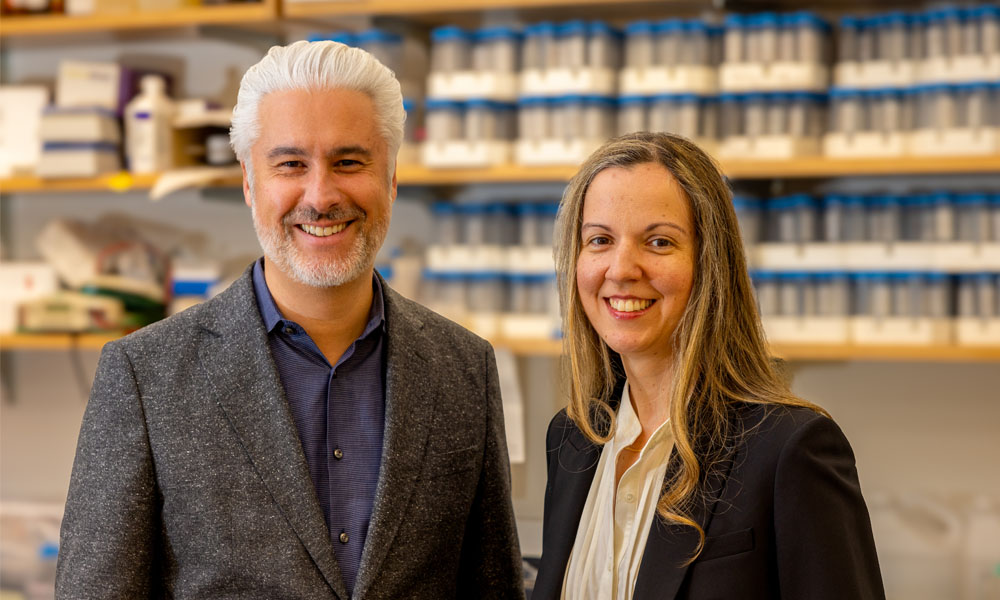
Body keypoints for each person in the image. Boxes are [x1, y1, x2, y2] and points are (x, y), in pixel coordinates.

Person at [55, 40, 523, 600]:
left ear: (391, 180)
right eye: (291, 164)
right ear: (250, 185)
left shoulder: (463, 368)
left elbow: (492, 585)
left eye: (349, 162)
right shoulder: (145, 376)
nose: (321, 195)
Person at [533, 132, 884, 599]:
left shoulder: (790, 450)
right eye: (600, 240)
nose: (621, 269)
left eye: (658, 242)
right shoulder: (574, 439)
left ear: (710, 261)